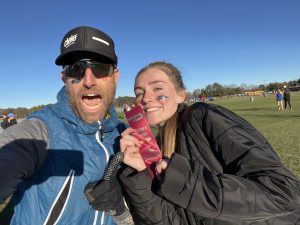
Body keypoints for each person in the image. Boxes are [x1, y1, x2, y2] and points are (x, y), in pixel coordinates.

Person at [116, 61, 300, 225]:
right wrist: (138, 175)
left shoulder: (203, 116)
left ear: (181, 95)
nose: (146, 98)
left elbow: (284, 192)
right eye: (139, 93)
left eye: (158, 90)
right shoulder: (156, 146)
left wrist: (183, 181)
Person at [0, 26, 128, 225]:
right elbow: (9, 152)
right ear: (64, 79)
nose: (88, 80)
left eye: (100, 68)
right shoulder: (40, 130)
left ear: (115, 76)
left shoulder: (125, 135)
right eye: (76, 69)